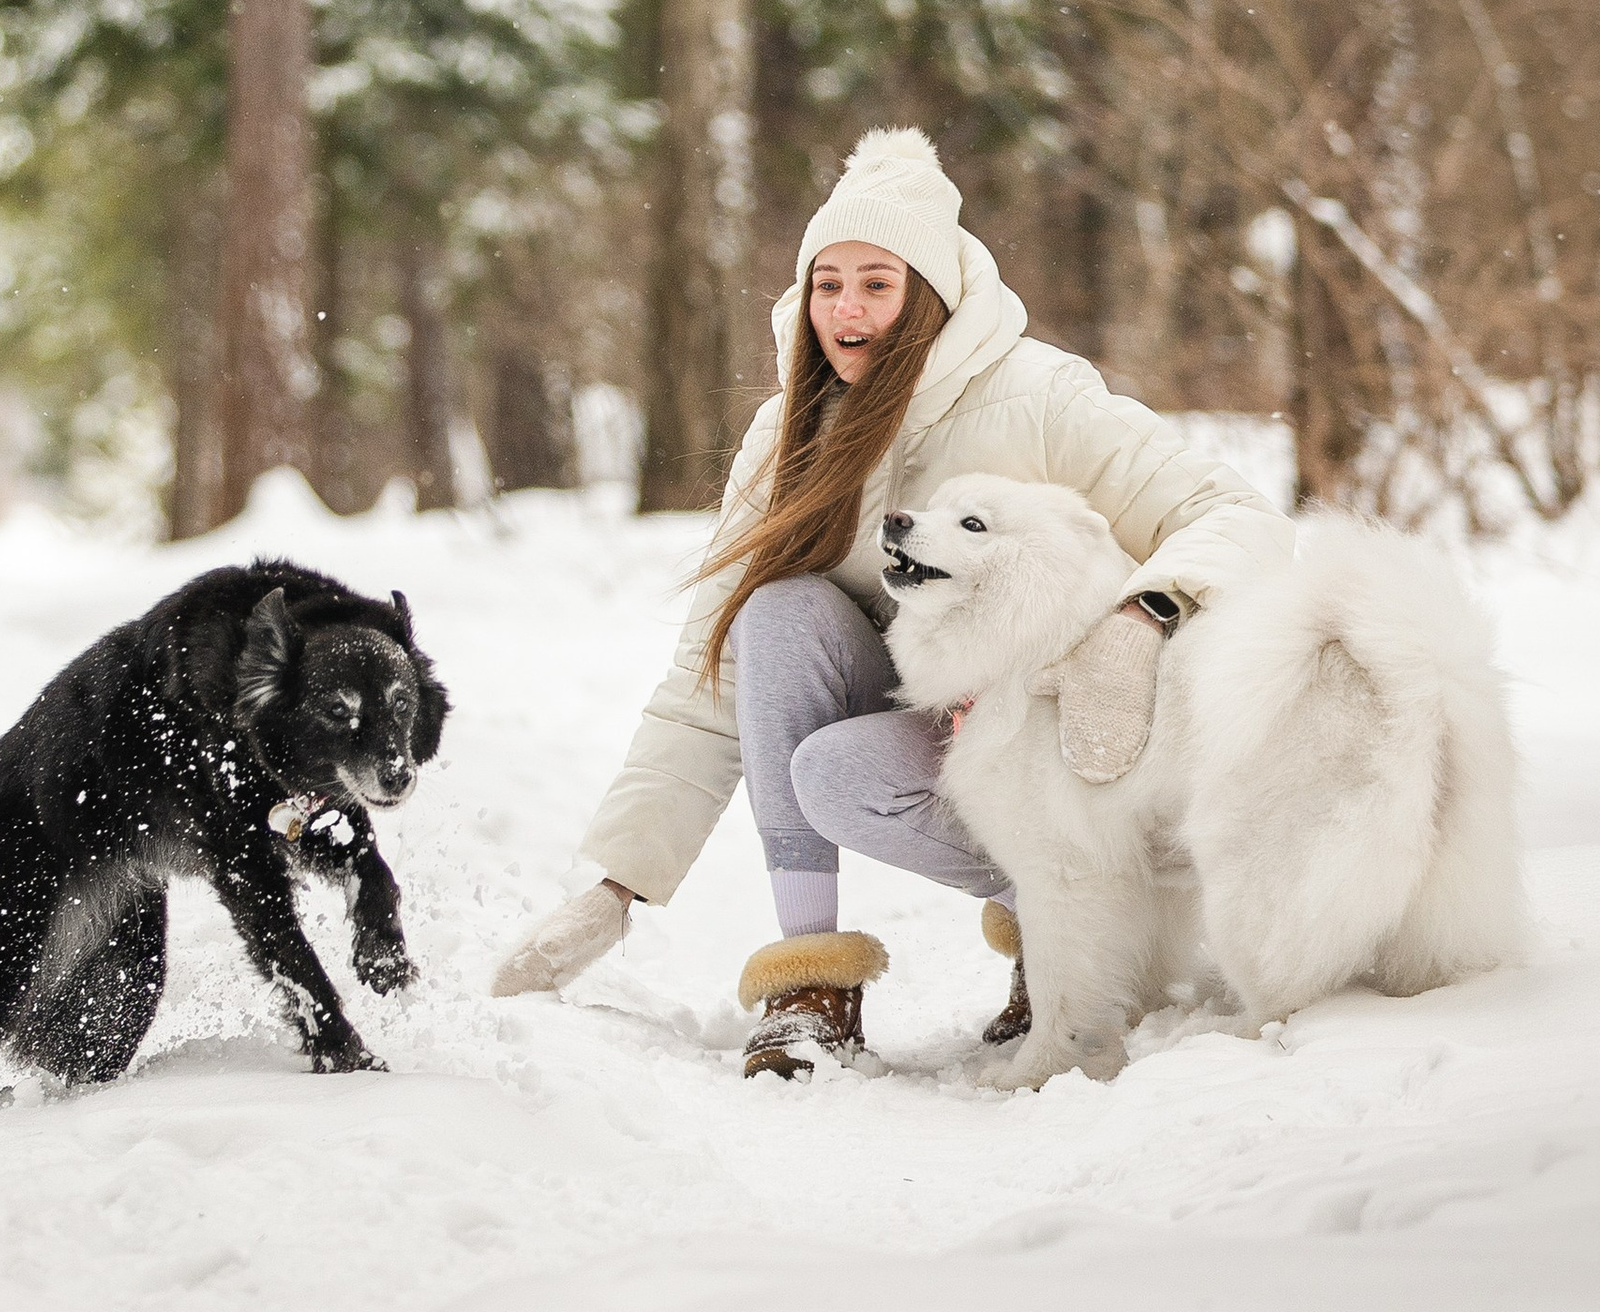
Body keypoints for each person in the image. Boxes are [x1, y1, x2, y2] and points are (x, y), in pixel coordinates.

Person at [490, 127, 1278, 1075]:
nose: (846, 308)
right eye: (828, 283)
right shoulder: (787, 433)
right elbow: (712, 667)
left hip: (1071, 734)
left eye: (877, 282)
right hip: (937, 721)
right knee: (778, 616)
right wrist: (617, 887)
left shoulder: (1037, 394)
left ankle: (1072, 916)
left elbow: (1232, 514)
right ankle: (810, 986)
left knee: (871, 742)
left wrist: (1140, 619)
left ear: (929, 294)